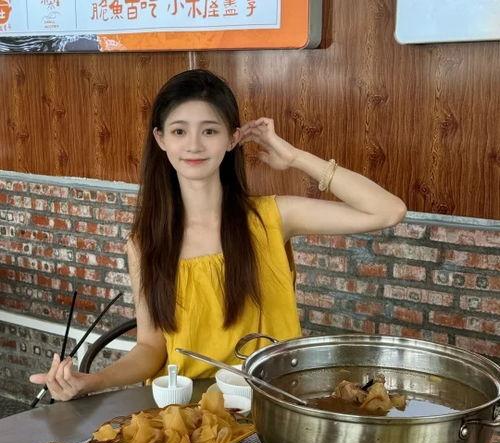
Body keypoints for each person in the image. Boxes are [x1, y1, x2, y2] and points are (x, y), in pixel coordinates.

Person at [30, 69, 406, 401]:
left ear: (232, 138)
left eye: (209, 131)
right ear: (161, 139)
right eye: (179, 131)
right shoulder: (145, 243)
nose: (194, 145)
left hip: (269, 405)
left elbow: (388, 211)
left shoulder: (271, 217)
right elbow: (150, 348)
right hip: (185, 414)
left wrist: (294, 157)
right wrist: (91, 381)